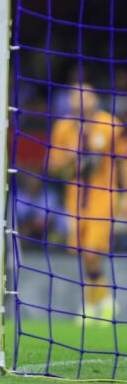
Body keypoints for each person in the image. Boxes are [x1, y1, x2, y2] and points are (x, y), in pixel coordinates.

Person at [49, 83, 126, 324]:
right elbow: (53, 167)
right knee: (83, 253)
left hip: (104, 196)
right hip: (75, 198)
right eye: (75, 96)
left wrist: (124, 194)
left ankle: (103, 302)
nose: (81, 101)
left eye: (86, 96)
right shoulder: (62, 128)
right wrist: (70, 160)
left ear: (95, 98)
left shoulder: (110, 124)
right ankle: (95, 304)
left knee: (93, 249)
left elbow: (123, 160)